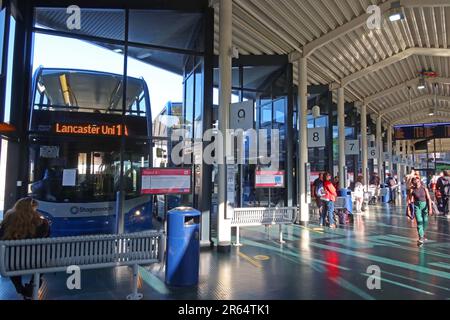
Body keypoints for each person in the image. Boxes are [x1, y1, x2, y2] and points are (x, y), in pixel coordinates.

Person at [0, 197, 50, 299]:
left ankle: (20, 288)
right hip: (36, 262)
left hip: (11, 262)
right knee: (43, 261)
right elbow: (47, 236)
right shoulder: (42, 222)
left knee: (12, 260)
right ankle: (32, 286)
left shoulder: (8, 220)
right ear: (33, 208)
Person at [407, 177, 433, 245]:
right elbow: (409, 200)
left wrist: (430, 208)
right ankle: (421, 237)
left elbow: (429, 199)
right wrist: (409, 209)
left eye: (418, 181)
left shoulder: (424, 189)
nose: (417, 183)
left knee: (425, 221)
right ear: (414, 183)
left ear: (420, 182)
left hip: (425, 205)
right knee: (419, 221)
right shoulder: (412, 190)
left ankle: (423, 234)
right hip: (417, 206)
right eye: (416, 182)